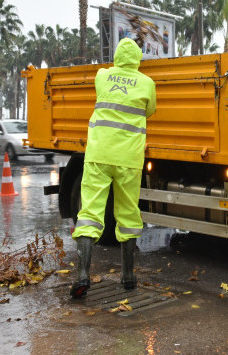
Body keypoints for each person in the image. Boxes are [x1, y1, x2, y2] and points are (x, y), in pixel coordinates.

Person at [70, 38, 157, 298]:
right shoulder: (147, 83)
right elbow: (150, 110)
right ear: (138, 59)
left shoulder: (102, 76)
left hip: (99, 155)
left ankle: (83, 275)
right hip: (129, 159)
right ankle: (128, 278)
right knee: (128, 214)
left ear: (117, 56)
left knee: (90, 214)